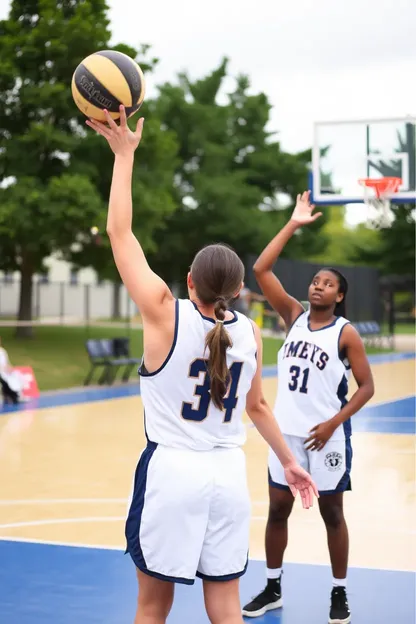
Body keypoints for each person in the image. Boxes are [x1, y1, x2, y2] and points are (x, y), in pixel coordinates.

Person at [86, 107, 319, 624]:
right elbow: (257, 406)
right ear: (240, 291)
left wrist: (124, 155)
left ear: (189, 280)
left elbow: (119, 234)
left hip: (174, 471)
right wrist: (290, 462)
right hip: (228, 475)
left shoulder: (164, 314)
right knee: (225, 602)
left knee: (153, 605)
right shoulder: (251, 333)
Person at [242, 192, 375, 624]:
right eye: (316, 279)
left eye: (328, 283)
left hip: (328, 437)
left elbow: (367, 387)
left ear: (339, 296)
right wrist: (293, 224)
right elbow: (260, 269)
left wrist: (333, 422)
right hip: (285, 436)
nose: (318, 284)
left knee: (331, 512)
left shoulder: (346, 334)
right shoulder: (293, 316)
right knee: (277, 510)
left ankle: (339, 593)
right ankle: (273, 586)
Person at [0, 338, 24, 404]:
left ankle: (17, 395)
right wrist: (3, 368)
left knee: (17, 375)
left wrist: (10, 368)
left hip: (6, 370)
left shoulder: (2, 351)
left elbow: (7, 362)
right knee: (8, 379)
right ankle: (12, 395)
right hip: (1, 371)